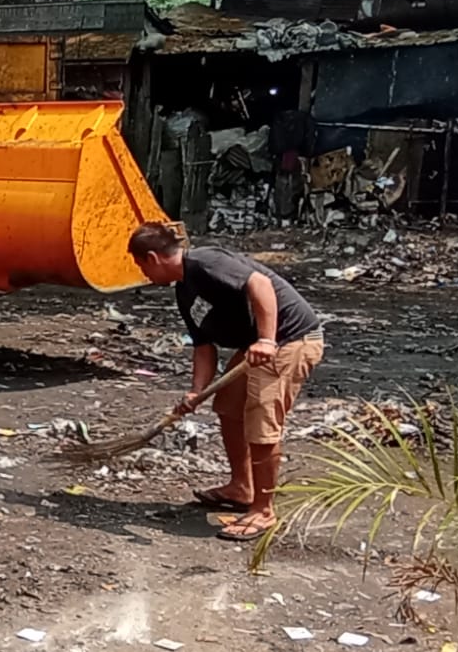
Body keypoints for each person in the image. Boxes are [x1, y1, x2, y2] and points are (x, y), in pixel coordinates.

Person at [127, 223, 324, 541]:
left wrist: (266, 340)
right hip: (256, 348)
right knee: (229, 407)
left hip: (290, 340)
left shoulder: (206, 263)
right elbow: (204, 346)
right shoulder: (185, 289)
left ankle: (263, 510)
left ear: (152, 257)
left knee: (261, 423)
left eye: (140, 266)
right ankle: (242, 487)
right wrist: (196, 391)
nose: (143, 275)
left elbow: (260, 284)